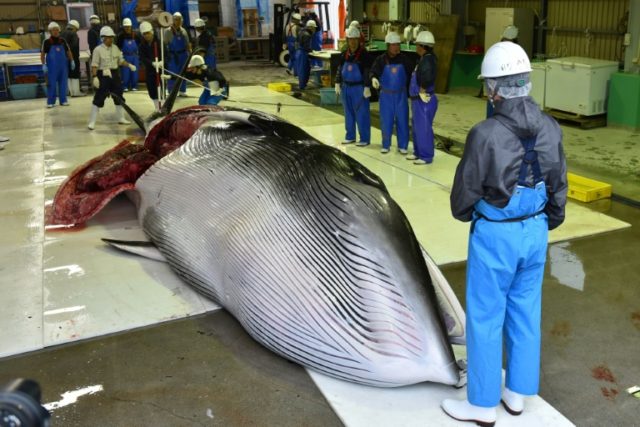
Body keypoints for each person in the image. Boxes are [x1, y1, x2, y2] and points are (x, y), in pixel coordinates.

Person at [443, 41, 568, 426]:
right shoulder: (550, 126)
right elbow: (558, 185)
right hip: (535, 234)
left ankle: (481, 404)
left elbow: (465, 195)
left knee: (485, 316)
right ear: (526, 82)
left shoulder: (485, 134)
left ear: (494, 88)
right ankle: (516, 394)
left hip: (496, 235)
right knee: (526, 312)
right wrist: (547, 220)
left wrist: (467, 213)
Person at [369, 32, 413, 154]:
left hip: (401, 95)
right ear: (388, 46)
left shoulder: (405, 60)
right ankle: (386, 144)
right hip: (386, 96)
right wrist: (373, 78)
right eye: (394, 45)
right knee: (386, 121)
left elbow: (414, 73)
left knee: (402, 120)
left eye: (398, 45)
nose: (396, 47)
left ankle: (403, 145)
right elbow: (373, 71)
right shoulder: (381, 60)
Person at [88, 26, 137, 130]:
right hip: (103, 75)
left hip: (114, 75)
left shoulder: (115, 48)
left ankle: (121, 118)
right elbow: (94, 65)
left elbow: (120, 61)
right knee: (99, 98)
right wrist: (95, 77)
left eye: (112, 37)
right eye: (109, 37)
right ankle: (92, 122)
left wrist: (129, 65)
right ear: (103, 38)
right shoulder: (97, 50)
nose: (111, 39)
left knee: (119, 96)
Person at [336, 26, 372, 147]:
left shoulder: (364, 55)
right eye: (350, 39)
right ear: (347, 40)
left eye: (355, 39)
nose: (353, 42)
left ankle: (364, 138)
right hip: (346, 87)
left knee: (362, 114)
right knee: (348, 113)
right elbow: (339, 69)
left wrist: (367, 86)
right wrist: (337, 83)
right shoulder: (343, 54)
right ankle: (350, 136)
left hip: (359, 88)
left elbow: (367, 71)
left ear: (359, 40)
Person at [408, 31, 437, 165]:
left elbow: (428, 76)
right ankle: (418, 152)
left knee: (423, 128)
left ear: (422, 46)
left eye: (417, 45)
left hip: (424, 99)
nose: (416, 47)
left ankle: (426, 156)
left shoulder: (428, 60)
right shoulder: (424, 58)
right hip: (417, 99)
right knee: (417, 127)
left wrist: (423, 89)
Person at [486, 25, 520, 118]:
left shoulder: (517, 56)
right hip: (496, 91)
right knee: (493, 115)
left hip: (510, 94)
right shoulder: (497, 53)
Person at [41, 22, 74, 108]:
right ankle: (51, 102)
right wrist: (43, 64)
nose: (55, 32)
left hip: (63, 67)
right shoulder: (46, 42)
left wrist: (72, 61)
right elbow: (42, 54)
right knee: (51, 84)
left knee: (63, 84)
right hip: (52, 68)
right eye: (53, 30)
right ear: (50, 31)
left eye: (57, 30)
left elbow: (68, 51)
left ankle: (63, 100)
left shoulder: (63, 41)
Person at [138, 21, 165, 112]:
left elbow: (167, 55)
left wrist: (162, 62)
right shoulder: (142, 45)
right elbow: (142, 58)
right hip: (150, 71)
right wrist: (152, 63)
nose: (146, 36)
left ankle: (163, 108)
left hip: (161, 71)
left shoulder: (159, 42)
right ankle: (157, 108)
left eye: (148, 33)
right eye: (144, 34)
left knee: (161, 90)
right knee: (152, 90)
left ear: (152, 32)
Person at [164, 12, 191, 97]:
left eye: (180, 20)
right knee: (173, 73)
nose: (178, 21)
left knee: (182, 73)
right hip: (173, 56)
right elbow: (164, 45)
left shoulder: (184, 31)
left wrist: (190, 55)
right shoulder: (167, 31)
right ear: (173, 20)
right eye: (176, 19)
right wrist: (165, 56)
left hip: (183, 55)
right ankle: (171, 91)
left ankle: (182, 90)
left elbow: (187, 44)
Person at [117, 18, 141, 92]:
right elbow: (118, 47)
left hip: (134, 56)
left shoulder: (136, 35)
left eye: (128, 26)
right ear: (123, 27)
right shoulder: (120, 36)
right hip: (125, 56)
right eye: (125, 27)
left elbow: (140, 45)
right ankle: (125, 86)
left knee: (135, 72)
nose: (127, 28)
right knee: (125, 72)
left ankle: (134, 86)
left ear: (131, 26)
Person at [61, 20, 82, 97]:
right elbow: (74, 46)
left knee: (68, 74)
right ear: (75, 28)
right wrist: (74, 58)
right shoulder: (73, 34)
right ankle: (76, 92)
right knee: (75, 74)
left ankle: (71, 92)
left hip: (63, 58)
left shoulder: (61, 33)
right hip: (73, 57)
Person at [295, 20, 315, 90]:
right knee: (304, 70)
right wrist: (313, 51)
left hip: (298, 52)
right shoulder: (307, 35)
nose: (314, 29)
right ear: (311, 27)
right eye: (314, 28)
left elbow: (296, 42)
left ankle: (302, 85)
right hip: (303, 54)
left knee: (301, 70)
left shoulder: (301, 31)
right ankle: (302, 86)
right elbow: (307, 47)